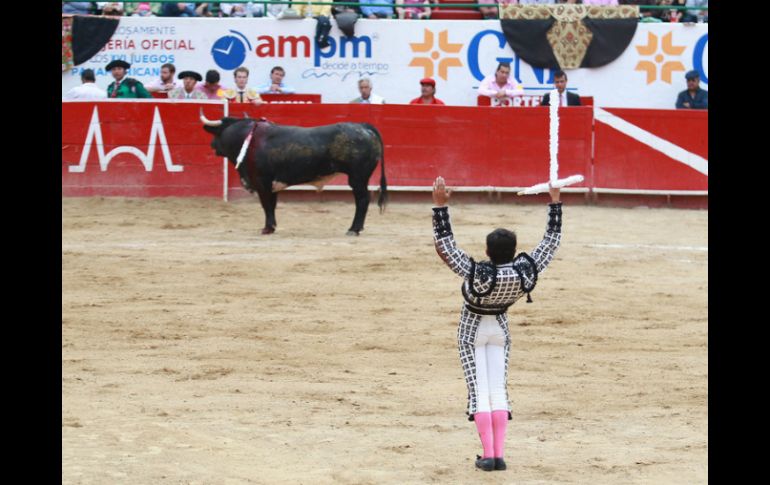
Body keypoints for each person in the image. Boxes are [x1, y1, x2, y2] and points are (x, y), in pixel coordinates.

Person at [431, 175, 563, 472]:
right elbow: (550, 243)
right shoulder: (523, 271)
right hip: (500, 331)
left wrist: (440, 208)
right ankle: (498, 454)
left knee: (479, 390)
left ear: (488, 252)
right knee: (498, 389)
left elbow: (447, 247)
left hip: (471, 331)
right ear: (514, 251)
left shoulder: (478, 273)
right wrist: (555, 202)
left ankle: (488, 454)